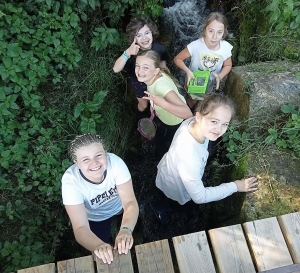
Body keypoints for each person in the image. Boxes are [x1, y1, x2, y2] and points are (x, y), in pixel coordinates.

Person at [151, 94, 258, 223]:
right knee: (182, 206)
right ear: (199, 117)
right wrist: (235, 186)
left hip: (170, 170)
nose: (219, 129)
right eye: (214, 121)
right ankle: (159, 207)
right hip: (177, 186)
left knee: (171, 198)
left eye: (225, 124)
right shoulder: (190, 156)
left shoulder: (191, 123)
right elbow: (200, 197)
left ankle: (162, 203)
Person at [61, 133, 139, 264]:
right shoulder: (71, 182)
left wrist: (126, 230)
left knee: (129, 226)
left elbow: (130, 203)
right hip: (96, 218)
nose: (94, 163)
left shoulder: (116, 163)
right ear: (76, 163)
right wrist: (98, 246)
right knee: (101, 246)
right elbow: (80, 227)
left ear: (105, 153)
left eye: (98, 155)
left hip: (120, 208)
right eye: (85, 159)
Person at [135, 50, 193, 159]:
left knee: (163, 142)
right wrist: (153, 105)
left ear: (156, 70)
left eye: (146, 67)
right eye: (137, 66)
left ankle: (160, 158)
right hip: (168, 115)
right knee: (161, 136)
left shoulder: (160, 87)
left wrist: (162, 103)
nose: (139, 71)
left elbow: (188, 114)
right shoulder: (154, 77)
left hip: (174, 122)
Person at [174, 12, 233, 106]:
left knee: (206, 102)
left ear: (224, 33)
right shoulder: (195, 46)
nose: (214, 36)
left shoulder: (225, 48)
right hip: (193, 79)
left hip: (211, 82)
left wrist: (220, 76)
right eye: (211, 31)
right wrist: (188, 71)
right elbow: (177, 59)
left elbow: (228, 65)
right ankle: (189, 114)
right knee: (192, 100)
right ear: (205, 30)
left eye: (219, 32)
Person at [113, 17, 169, 113]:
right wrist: (127, 53)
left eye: (147, 33)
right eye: (139, 35)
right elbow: (116, 69)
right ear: (133, 39)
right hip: (138, 82)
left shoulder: (160, 48)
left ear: (152, 32)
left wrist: (167, 80)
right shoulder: (131, 52)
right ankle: (138, 113)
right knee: (144, 105)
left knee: (156, 102)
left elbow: (163, 66)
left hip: (154, 79)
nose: (144, 38)